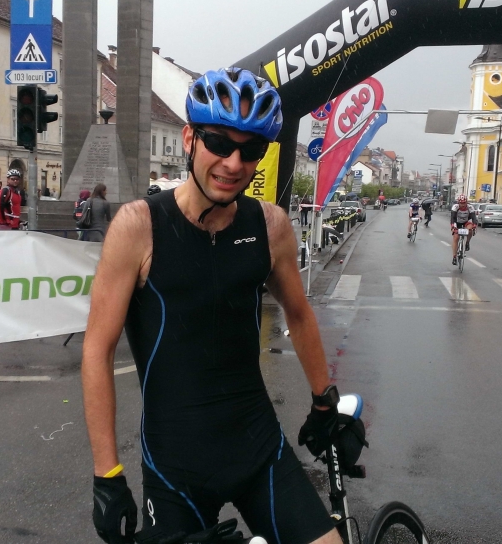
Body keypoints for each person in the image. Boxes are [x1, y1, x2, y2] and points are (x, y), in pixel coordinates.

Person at [81, 67, 340, 544]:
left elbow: (300, 315)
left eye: (251, 150)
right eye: (219, 143)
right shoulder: (138, 226)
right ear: (189, 139)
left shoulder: (271, 226)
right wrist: (107, 476)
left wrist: (325, 401)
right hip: (175, 466)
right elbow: (97, 350)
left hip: (258, 449)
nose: (234, 163)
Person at [451, 195, 477, 265]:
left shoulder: (470, 207)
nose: (462, 204)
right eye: (461, 203)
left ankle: (467, 242)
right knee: (456, 238)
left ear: (466, 202)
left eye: (464, 203)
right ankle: (454, 257)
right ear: (458, 202)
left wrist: (474, 225)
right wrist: (453, 226)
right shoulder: (455, 207)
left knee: (470, 229)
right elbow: (452, 218)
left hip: (466, 222)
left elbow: (474, 218)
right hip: (457, 222)